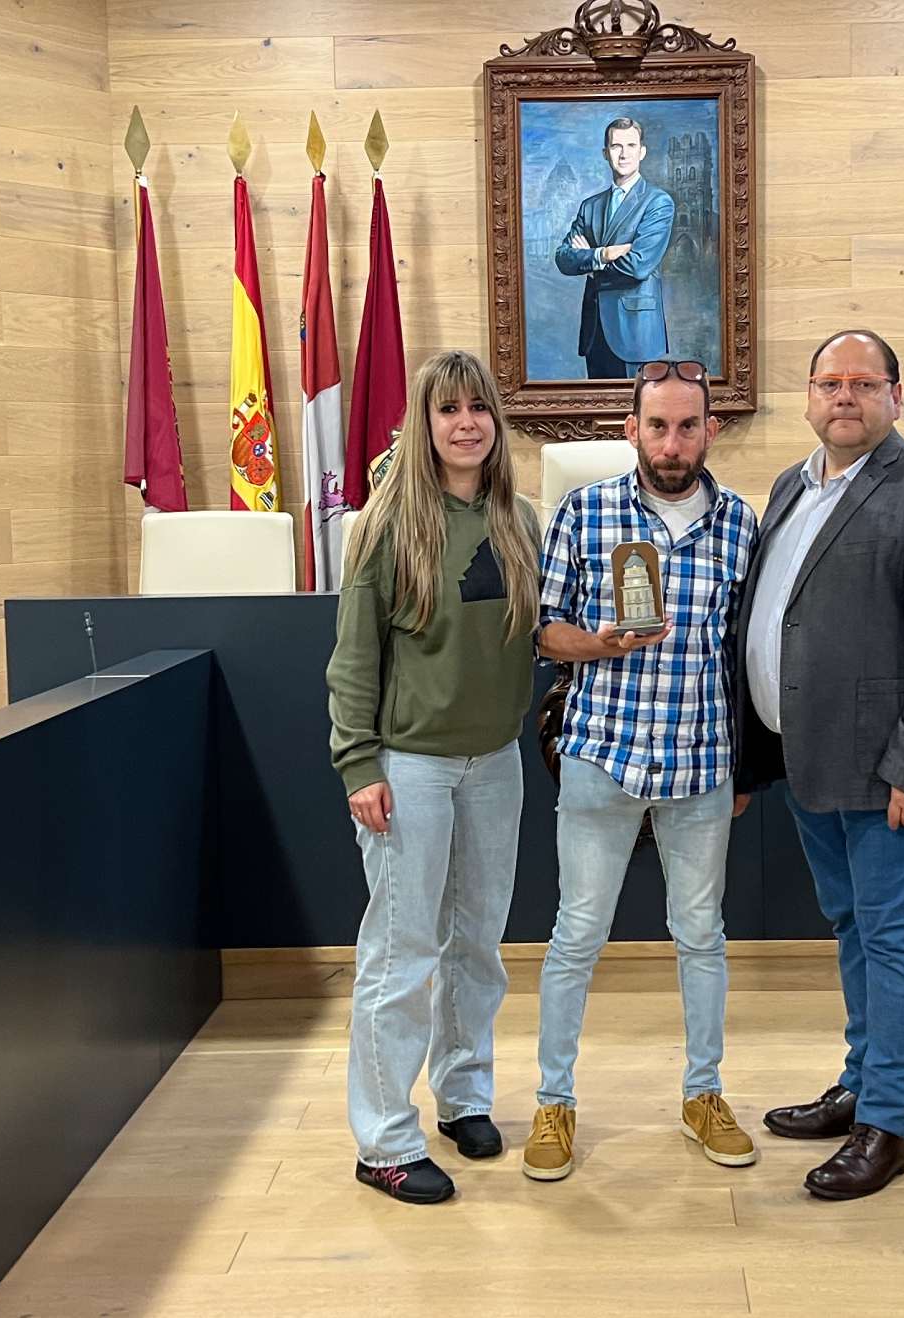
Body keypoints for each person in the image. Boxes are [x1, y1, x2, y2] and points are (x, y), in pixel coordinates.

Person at [737, 328, 904, 1200]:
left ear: (896, 395)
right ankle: (862, 1083)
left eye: (863, 382)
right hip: (812, 765)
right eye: (828, 383)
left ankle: (892, 1123)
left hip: (893, 778)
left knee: (898, 942)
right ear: (809, 398)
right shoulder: (791, 486)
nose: (843, 396)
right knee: (857, 933)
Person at [524, 358, 759, 1181]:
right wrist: (600, 643)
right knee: (577, 937)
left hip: (702, 764)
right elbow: (544, 631)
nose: (672, 441)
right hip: (602, 756)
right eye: (656, 425)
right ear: (630, 430)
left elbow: (749, 654)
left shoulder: (739, 523)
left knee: (701, 936)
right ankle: (554, 1102)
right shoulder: (584, 513)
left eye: (687, 424)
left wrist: (749, 773)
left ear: (710, 429)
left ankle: (703, 1093)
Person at [326, 350, 543, 1205]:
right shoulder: (385, 525)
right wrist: (358, 764)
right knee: (401, 952)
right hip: (407, 768)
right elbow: (352, 662)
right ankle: (383, 1139)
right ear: (424, 424)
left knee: (477, 942)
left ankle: (464, 1094)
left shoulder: (521, 519)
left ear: (496, 422)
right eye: (447, 410)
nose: (465, 424)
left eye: (479, 409)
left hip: (496, 762)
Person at [554, 117, 677, 379]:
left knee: (640, 415)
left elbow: (638, 266)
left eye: (631, 145)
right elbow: (564, 259)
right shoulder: (590, 206)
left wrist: (588, 262)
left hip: (636, 333)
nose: (623, 154)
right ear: (605, 153)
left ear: (642, 152)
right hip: (595, 331)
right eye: (616, 146)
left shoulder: (658, 202)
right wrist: (604, 254)